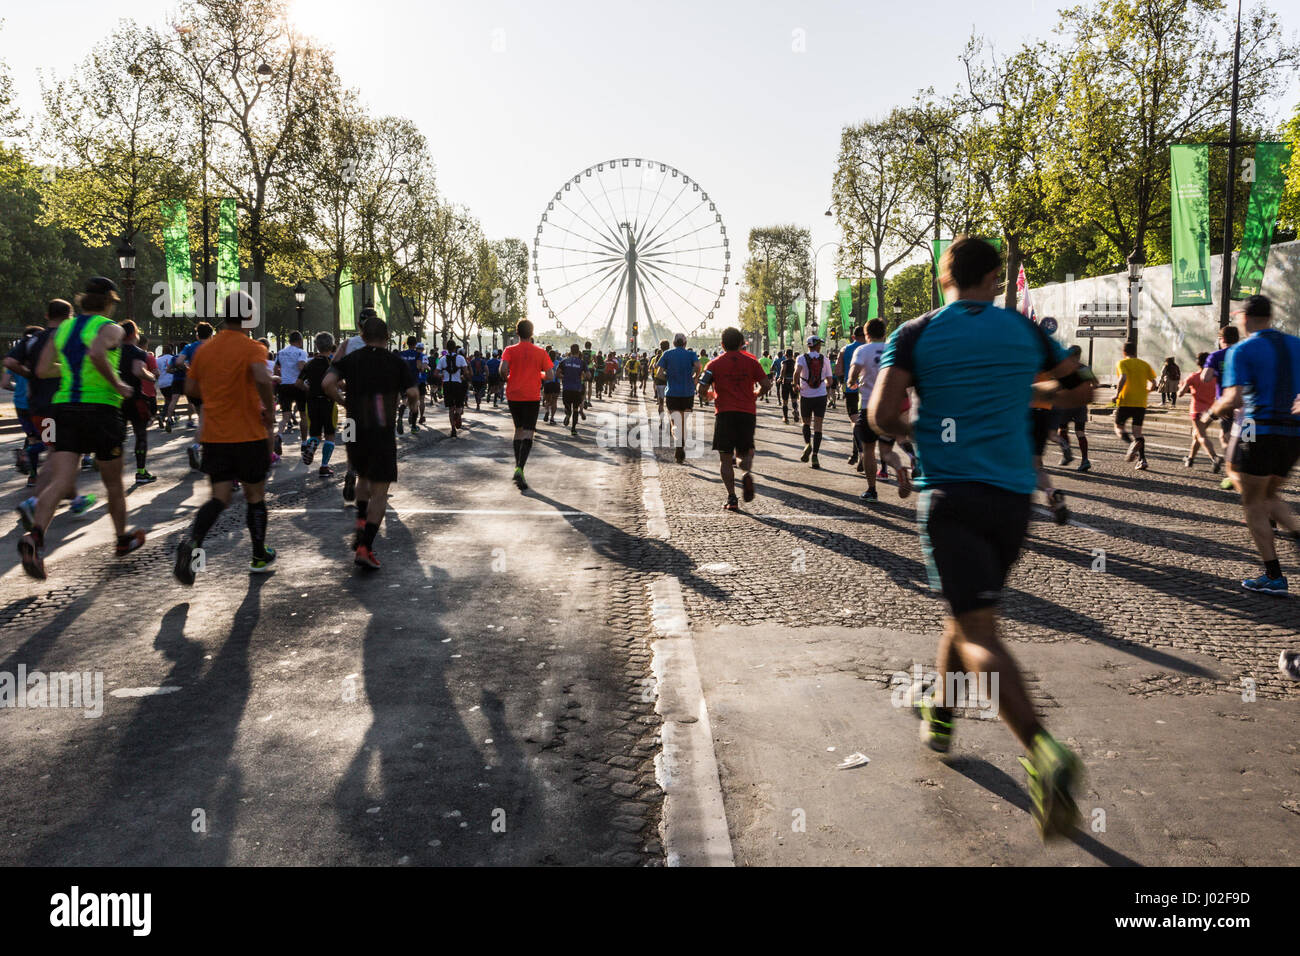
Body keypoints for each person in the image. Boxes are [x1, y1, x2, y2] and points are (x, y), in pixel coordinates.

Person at [868, 237, 1095, 840]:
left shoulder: (915, 333)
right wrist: (1029, 391)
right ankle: (940, 720)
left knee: (980, 634)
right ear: (996, 277)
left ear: (943, 276)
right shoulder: (1026, 335)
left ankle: (1045, 751)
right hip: (1013, 500)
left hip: (950, 495)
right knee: (966, 616)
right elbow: (1081, 389)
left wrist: (917, 430)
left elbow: (881, 414)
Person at [19, 277, 147, 579]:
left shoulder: (63, 328)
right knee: (113, 484)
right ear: (109, 300)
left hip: (64, 408)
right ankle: (120, 540)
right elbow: (96, 354)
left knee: (62, 480)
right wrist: (117, 383)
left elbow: (43, 369)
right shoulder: (110, 328)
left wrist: (73, 370)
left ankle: (35, 536)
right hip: (101, 409)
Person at [171, 291, 277, 584]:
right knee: (255, 495)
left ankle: (193, 542)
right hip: (248, 434)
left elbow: (191, 390)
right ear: (249, 316)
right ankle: (258, 555)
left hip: (215, 435)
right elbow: (260, 376)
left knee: (219, 497)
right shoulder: (252, 347)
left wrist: (217, 394)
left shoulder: (205, 350)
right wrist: (268, 408)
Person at [1200, 294, 1300, 594]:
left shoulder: (1242, 350)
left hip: (1256, 428)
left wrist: (1209, 413)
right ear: (1270, 316)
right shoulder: (1297, 345)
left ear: (1244, 317)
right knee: (1269, 493)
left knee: (1252, 499)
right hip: (1294, 432)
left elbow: (1235, 398)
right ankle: (1295, 532)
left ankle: (1273, 576)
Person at [323, 315, 418, 570]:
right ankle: (365, 547)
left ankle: (360, 522)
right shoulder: (396, 362)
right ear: (388, 338)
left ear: (362, 337)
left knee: (362, 476)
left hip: (354, 428)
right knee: (380, 491)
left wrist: (343, 401)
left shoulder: (351, 359)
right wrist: (410, 407)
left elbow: (327, 383)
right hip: (381, 430)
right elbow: (412, 393)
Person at [698, 327, 770, 511]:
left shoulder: (713, 365)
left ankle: (732, 498)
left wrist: (710, 396)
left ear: (722, 345)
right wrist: (755, 394)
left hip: (724, 413)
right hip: (747, 412)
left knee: (725, 458)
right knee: (744, 454)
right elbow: (766, 384)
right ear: (741, 344)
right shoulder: (751, 362)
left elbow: (701, 388)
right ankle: (745, 473)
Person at [847, 319, 912, 501]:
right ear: (884, 333)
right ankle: (899, 468)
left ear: (866, 335)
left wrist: (851, 381)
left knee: (868, 449)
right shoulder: (893, 349)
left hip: (869, 406)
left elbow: (853, 373)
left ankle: (871, 490)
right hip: (890, 408)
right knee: (886, 451)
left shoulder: (862, 350)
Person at [500, 319, 555, 490]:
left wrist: (508, 379)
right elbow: (551, 375)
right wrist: (539, 376)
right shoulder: (540, 353)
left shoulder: (509, 350)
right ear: (532, 333)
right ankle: (520, 468)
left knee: (518, 430)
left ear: (517, 333)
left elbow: (502, 370)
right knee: (529, 432)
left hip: (513, 394)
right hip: (531, 395)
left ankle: (517, 465)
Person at [116, 320, 158, 485]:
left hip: (116, 397)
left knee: (118, 437)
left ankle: (114, 473)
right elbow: (137, 371)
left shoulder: (113, 351)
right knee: (141, 434)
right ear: (134, 334)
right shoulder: (138, 351)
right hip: (134, 397)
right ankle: (141, 472)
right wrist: (152, 376)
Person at [1202, 325, 1242, 491]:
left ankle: (1234, 471)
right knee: (1247, 438)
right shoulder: (1244, 353)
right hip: (1248, 404)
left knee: (1226, 437)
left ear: (1221, 339)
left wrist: (1217, 371)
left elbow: (1205, 377)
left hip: (1226, 404)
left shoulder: (1216, 356)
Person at [299, 332, 339, 477]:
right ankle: (324, 466)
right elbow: (339, 383)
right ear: (332, 346)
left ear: (316, 345)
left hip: (312, 401)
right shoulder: (333, 364)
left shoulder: (309, 364)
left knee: (315, 433)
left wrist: (309, 388)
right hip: (328, 402)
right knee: (330, 434)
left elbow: (298, 383)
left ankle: (312, 443)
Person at [175, 322, 214, 470]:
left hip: (192, 388)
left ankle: (204, 450)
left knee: (203, 419)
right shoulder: (213, 346)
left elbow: (179, 361)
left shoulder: (190, 347)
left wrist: (189, 369)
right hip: (208, 387)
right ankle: (196, 447)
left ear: (197, 334)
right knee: (205, 421)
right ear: (211, 334)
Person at [1113, 340, 1157, 471]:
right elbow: (1154, 383)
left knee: (1119, 428)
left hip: (1126, 400)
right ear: (1135, 351)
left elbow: (1123, 378)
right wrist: (1147, 391)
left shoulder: (1122, 363)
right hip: (1141, 402)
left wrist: (1117, 394)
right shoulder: (1145, 364)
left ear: (1124, 352)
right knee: (1138, 432)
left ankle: (1132, 445)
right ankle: (1142, 460)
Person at [658, 333, 701, 463]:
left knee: (674, 422)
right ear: (685, 343)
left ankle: (678, 443)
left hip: (672, 393)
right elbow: (698, 366)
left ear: (674, 343)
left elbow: (659, 373)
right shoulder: (690, 354)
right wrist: (695, 378)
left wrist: (669, 378)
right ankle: (681, 443)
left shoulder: (667, 354)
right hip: (687, 393)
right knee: (684, 421)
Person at [1177, 351, 1222, 472]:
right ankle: (1190, 459)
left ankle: (1215, 457)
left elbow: (1180, 394)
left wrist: (1181, 387)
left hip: (1197, 410)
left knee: (1201, 436)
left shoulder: (1193, 377)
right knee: (1196, 435)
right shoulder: (1215, 377)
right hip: (1210, 411)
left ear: (1198, 363)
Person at [1053, 345, 1093, 472]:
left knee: (1062, 429)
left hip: (1066, 403)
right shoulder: (1084, 368)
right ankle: (1085, 459)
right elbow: (1095, 384)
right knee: (1080, 431)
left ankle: (1066, 454)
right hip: (1081, 404)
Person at [795, 335, 832, 468]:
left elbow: (796, 373)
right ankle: (815, 456)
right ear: (817, 345)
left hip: (805, 395)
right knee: (818, 426)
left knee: (805, 422)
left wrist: (796, 385)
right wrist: (823, 385)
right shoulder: (825, 360)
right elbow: (830, 381)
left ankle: (807, 444)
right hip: (820, 395)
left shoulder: (801, 358)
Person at [275, 331, 310, 440]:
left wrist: (282, 376)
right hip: (298, 385)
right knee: (303, 415)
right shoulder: (301, 352)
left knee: (285, 416)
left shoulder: (281, 352)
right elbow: (301, 367)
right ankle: (304, 442)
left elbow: (275, 369)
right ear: (300, 341)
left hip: (284, 385)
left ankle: (279, 435)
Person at [840, 326, 866, 466]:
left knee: (855, 421)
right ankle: (856, 453)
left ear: (853, 336)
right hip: (868, 389)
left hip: (851, 389)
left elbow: (838, 370)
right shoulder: (869, 348)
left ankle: (859, 452)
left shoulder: (845, 349)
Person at [397, 337, 427, 433]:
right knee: (414, 405)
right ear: (415, 345)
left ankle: (400, 418)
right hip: (412, 381)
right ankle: (413, 427)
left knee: (404, 401)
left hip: (402, 381)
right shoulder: (418, 354)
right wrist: (423, 368)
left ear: (407, 344)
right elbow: (419, 367)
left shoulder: (401, 354)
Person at [558, 344, 587, 436]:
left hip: (566, 388)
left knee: (567, 405)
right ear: (578, 352)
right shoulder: (582, 363)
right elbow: (589, 375)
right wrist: (582, 376)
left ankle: (567, 413)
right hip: (577, 389)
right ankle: (573, 429)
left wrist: (565, 376)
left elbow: (557, 374)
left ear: (570, 351)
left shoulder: (564, 362)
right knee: (575, 409)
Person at [541, 347, 563, 423]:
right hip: (556, 383)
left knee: (547, 401)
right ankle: (552, 418)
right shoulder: (558, 363)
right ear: (555, 356)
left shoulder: (545, 362)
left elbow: (542, 372)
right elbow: (560, 373)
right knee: (554, 401)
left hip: (547, 383)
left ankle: (547, 411)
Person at [777, 347, 798, 423]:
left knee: (785, 401)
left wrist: (780, 377)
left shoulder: (784, 362)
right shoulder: (795, 362)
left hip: (786, 382)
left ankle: (785, 418)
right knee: (794, 399)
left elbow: (783, 370)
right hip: (793, 382)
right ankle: (795, 410)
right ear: (792, 355)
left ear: (785, 355)